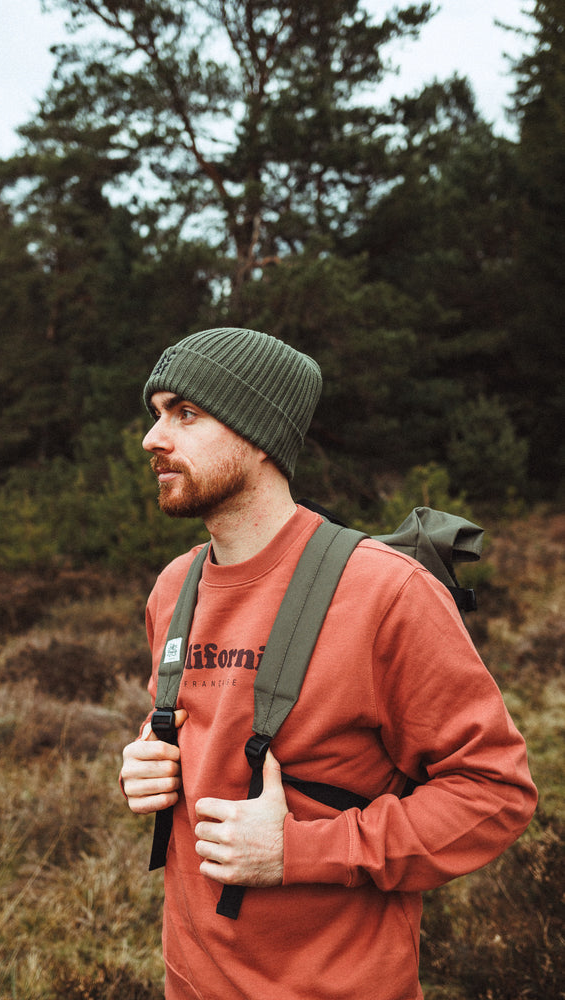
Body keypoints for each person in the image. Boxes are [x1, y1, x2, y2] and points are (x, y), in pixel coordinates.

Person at [120, 327, 537, 1000]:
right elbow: (204, 722)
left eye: (184, 413)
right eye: (156, 414)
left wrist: (300, 852)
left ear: (259, 435)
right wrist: (147, 758)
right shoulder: (174, 586)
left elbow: (493, 794)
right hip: (191, 983)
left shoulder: (384, 593)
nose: (153, 438)